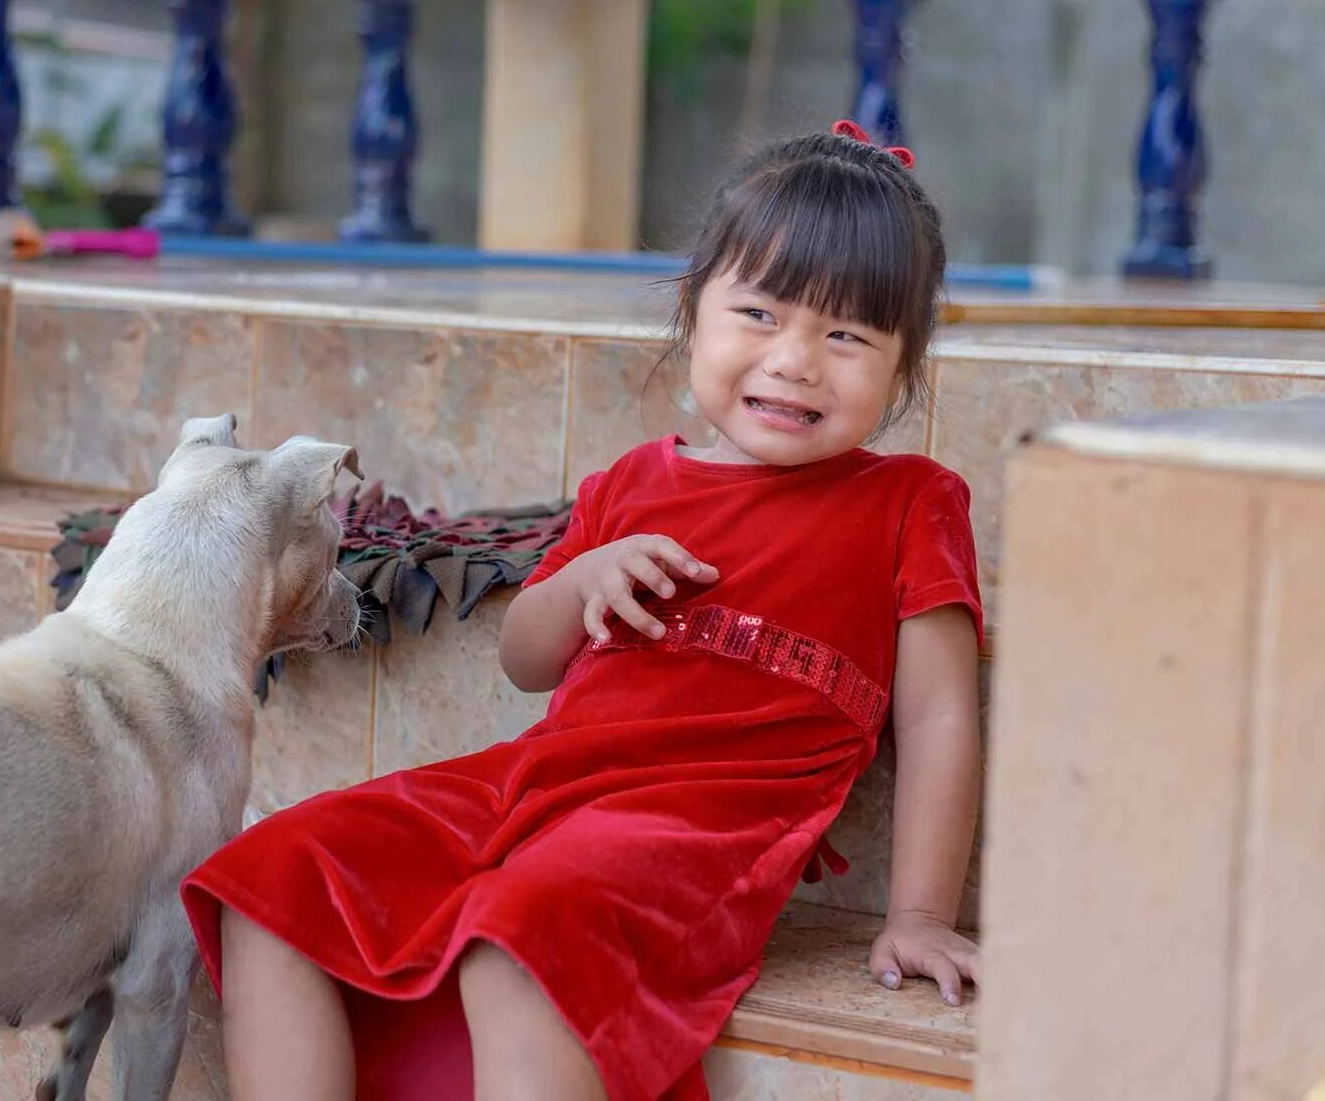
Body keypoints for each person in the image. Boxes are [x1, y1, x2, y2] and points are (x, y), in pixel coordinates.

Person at [182, 121, 985, 1101]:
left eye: (848, 335)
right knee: (273, 876)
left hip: (699, 821)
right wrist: (579, 579)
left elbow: (941, 714)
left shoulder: (909, 499)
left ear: (906, 364)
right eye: (762, 312)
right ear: (696, 312)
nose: (797, 359)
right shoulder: (634, 482)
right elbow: (527, 655)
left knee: (520, 934)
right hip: (535, 784)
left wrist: (919, 911)